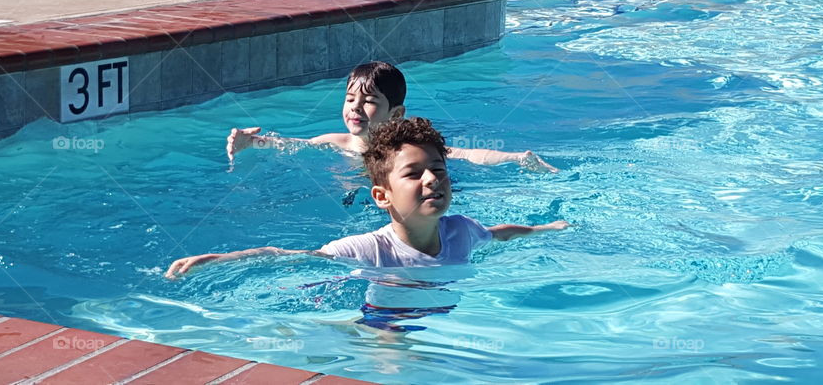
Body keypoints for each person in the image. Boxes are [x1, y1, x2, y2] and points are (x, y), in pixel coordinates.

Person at [168, 117, 568, 278]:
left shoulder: (461, 230)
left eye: (439, 170)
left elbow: (499, 234)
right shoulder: (369, 249)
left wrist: (546, 228)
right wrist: (218, 260)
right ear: (381, 196)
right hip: (385, 318)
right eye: (413, 173)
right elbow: (293, 256)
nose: (433, 179)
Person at [226, 61, 556, 171]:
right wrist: (252, 143)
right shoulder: (334, 142)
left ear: (396, 114)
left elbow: (463, 154)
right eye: (350, 98)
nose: (355, 107)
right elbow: (292, 145)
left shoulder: (406, 148)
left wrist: (515, 158)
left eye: (368, 101)